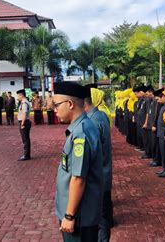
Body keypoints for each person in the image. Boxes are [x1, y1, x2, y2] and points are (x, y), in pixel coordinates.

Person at [53, 81, 103, 241]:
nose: (54, 110)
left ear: (70, 104)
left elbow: (78, 178)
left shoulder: (81, 132)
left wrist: (69, 215)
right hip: (80, 213)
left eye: (56, 105)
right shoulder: (81, 127)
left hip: (79, 216)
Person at [84, 86, 113, 242]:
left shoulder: (93, 120)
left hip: (98, 172)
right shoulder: (101, 115)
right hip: (105, 169)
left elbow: (93, 152)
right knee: (105, 209)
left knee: (100, 215)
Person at [153, 88, 165, 178]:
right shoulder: (163, 105)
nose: (158, 100)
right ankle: (164, 168)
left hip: (164, 133)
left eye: (159, 98)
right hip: (161, 132)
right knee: (163, 152)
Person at [147, 86, 162, 167]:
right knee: (153, 143)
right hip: (152, 124)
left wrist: (154, 124)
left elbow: (157, 114)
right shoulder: (153, 101)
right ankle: (155, 159)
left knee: (156, 144)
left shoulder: (157, 102)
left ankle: (157, 160)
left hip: (156, 126)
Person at [17, 89, 32, 161]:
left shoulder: (24, 103)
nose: (18, 97)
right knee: (26, 139)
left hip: (24, 122)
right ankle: (27, 154)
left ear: (21, 95)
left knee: (25, 139)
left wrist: (22, 123)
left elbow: (24, 113)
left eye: (18, 95)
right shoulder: (26, 102)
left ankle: (26, 155)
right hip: (25, 121)